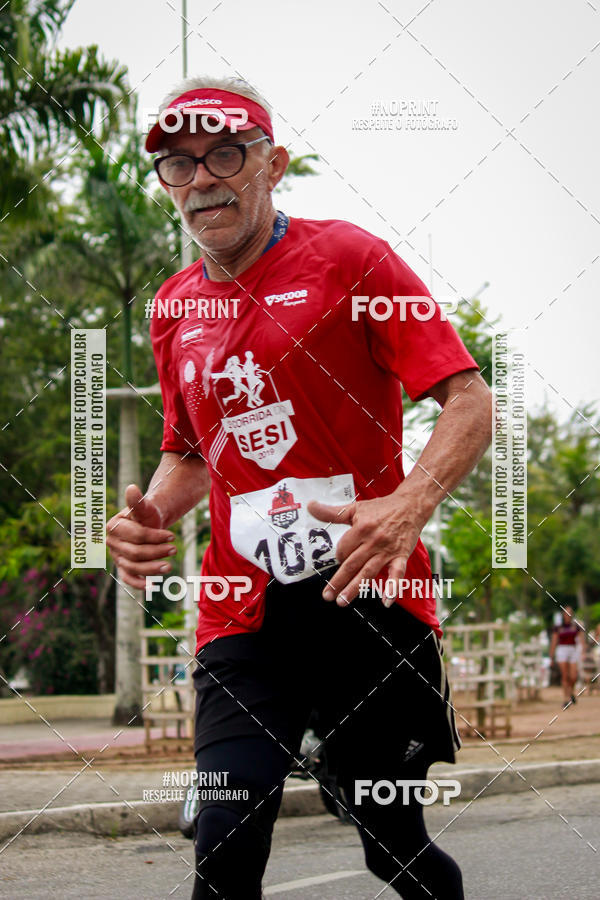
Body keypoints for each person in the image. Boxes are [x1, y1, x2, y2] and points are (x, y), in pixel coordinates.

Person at [106, 76, 492, 899]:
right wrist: (152, 514)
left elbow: (469, 397)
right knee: (225, 834)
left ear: (272, 163)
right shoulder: (173, 309)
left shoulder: (351, 260)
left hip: (366, 601)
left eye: (224, 155)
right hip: (241, 613)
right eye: (179, 164)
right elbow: (190, 452)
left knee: (392, 846)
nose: (202, 179)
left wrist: (412, 503)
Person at [550, 605, 585, 709]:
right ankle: (566, 699)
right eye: (566, 612)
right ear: (563, 614)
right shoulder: (558, 627)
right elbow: (554, 642)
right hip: (562, 650)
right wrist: (551, 657)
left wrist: (583, 652)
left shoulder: (575, 626)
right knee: (565, 675)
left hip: (573, 649)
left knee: (573, 676)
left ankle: (571, 692)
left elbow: (581, 640)